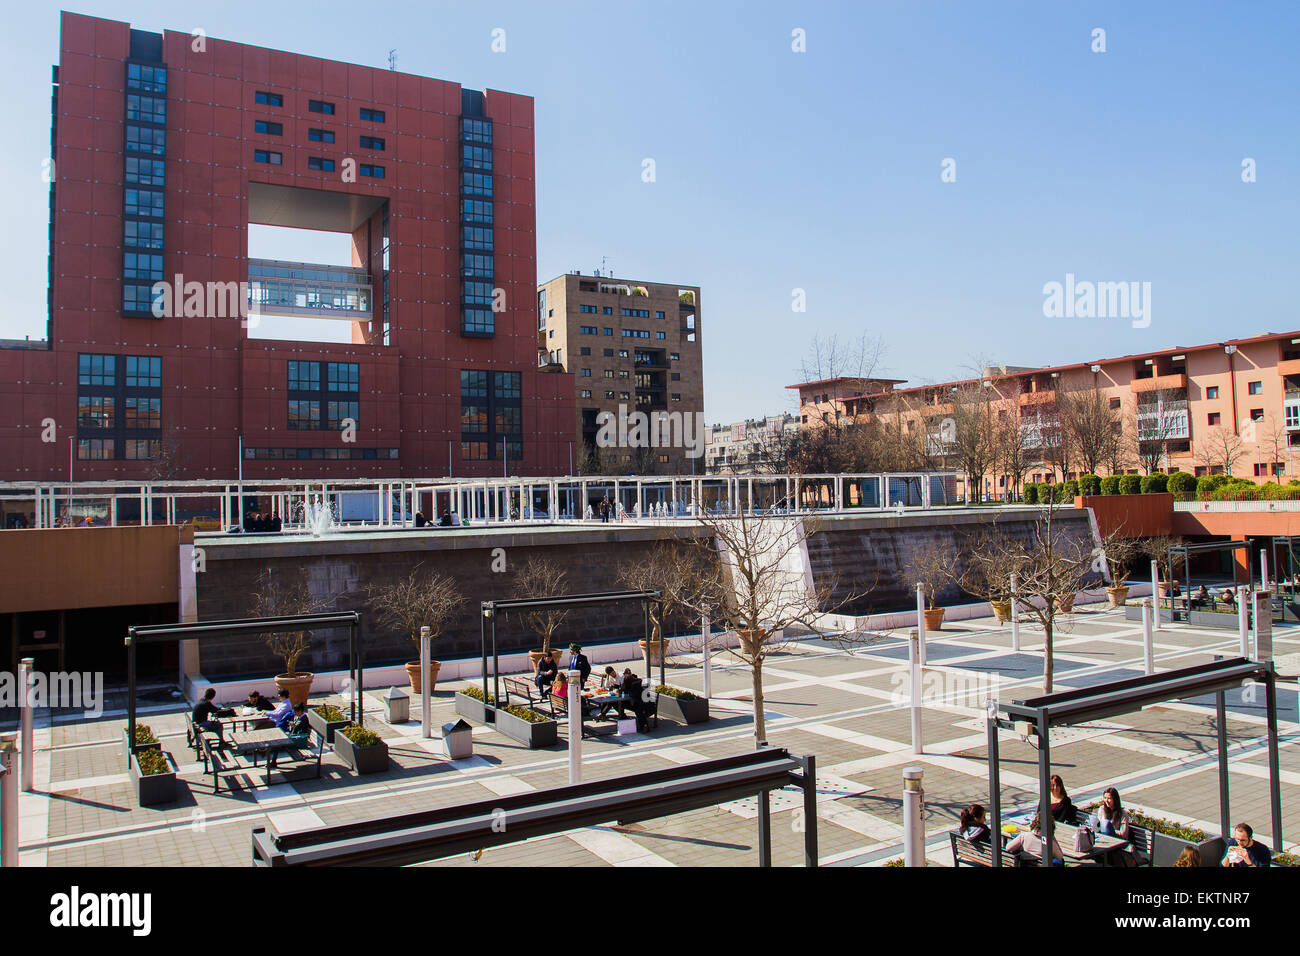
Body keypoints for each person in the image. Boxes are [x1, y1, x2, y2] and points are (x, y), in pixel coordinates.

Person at [1091, 787, 1137, 866]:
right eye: (1105, 798)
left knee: (1106, 825)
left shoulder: (1122, 813)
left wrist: (1110, 829)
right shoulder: (1102, 809)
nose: (1107, 801)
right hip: (1104, 841)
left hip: (1117, 844)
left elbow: (1124, 834)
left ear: (1115, 799)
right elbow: (1098, 827)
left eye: (1109, 798)